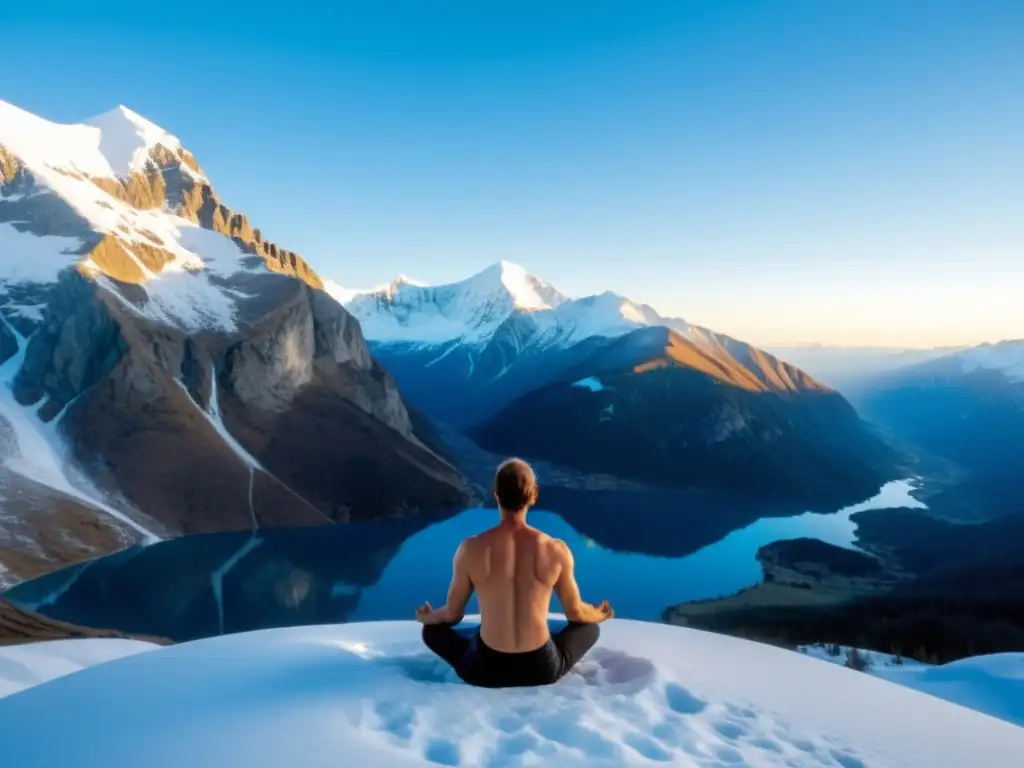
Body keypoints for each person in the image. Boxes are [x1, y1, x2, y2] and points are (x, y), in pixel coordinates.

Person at [416, 458, 613, 688]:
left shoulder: (471, 548)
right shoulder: (556, 549)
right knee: (590, 628)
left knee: (432, 632)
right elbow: (575, 613)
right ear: (533, 496)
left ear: (496, 495)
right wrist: (599, 614)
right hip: (540, 668)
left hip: (484, 668)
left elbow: (453, 614)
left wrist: (427, 618)